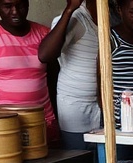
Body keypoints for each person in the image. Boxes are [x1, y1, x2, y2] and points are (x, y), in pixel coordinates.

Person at [0, 0, 57, 141]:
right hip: (7, 123)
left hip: (43, 120)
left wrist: (57, 118)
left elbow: (53, 79)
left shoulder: (43, 34)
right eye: (7, 6)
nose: (15, 12)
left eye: (21, 5)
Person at [39, 0, 101, 150]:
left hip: (100, 107)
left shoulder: (110, 18)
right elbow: (45, 55)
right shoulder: (75, 18)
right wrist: (69, 9)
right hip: (75, 106)